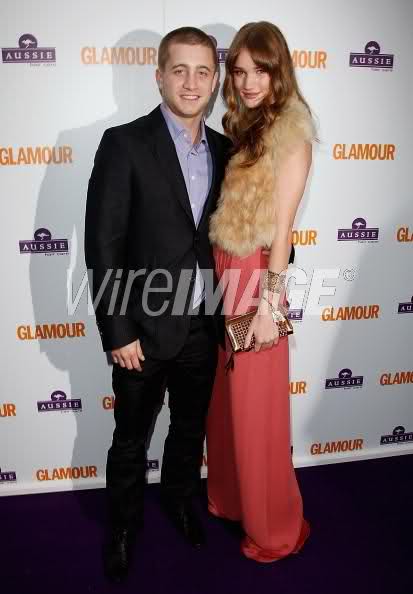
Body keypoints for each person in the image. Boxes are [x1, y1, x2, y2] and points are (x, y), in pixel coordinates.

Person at [84, 27, 231, 582]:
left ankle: (178, 500)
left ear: (215, 81)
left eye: (202, 72)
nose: (191, 83)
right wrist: (118, 330)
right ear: (159, 76)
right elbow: (103, 244)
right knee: (130, 439)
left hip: (202, 326)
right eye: (180, 70)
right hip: (140, 331)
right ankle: (122, 527)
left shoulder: (226, 151)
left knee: (188, 430)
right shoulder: (124, 143)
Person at [207, 21, 316, 563]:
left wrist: (271, 305)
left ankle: (273, 525)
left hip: (255, 280)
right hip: (227, 272)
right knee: (226, 404)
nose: (248, 82)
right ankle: (233, 500)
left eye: (261, 70)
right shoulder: (245, 127)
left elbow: (283, 230)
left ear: (279, 72)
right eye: (240, 71)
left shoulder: (291, 134)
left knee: (257, 411)